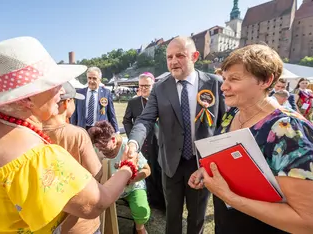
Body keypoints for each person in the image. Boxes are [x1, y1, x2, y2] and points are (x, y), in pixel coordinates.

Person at [0, 36, 138, 233]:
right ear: (27, 98)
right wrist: (128, 167)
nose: (61, 90)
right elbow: (96, 203)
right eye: (52, 84)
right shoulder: (38, 157)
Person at [188, 44, 313, 234]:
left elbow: (311, 222)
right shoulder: (232, 113)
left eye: (234, 79)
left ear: (265, 80)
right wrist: (206, 169)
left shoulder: (288, 129)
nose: (223, 86)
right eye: (224, 78)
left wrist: (228, 196)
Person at [127, 36, 226, 234]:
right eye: (169, 57)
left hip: (201, 163)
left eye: (180, 55)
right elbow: (145, 120)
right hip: (170, 163)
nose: (173, 61)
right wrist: (133, 143)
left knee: (197, 216)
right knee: (172, 216)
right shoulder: (160, 88)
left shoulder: (214, 83)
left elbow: (225, 123)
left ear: (195, 56)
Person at [42, 81, 103, 234]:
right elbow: (96, 173)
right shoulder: (76, 134)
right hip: (77, 222)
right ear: (66, 103)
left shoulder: (30, 131)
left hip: (44, 219)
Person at [89, 121, 151, 234]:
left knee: (141, 209)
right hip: (107, 189)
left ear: (113, 140)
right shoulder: (96, 149)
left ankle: (139, 228)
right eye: (97, 147)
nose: (99, 151)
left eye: (103, 147)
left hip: (132, 188)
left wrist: (130, 179)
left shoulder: (128, 147)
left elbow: (147, 170)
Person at [123, 72, 165, 211]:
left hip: (159, 141)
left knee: (159, 170)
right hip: (141, 143)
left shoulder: (161, 100)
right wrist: (133, 138)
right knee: (145, 169)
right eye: (141, 86)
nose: (143, 89)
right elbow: (126, 120)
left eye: (147, 86)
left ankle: (161, 200)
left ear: (153, 86)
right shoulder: (134, 102)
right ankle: (147, 198)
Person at [70, 66, 119, 132]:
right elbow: (74, 114)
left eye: (94, 78)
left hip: (100, 131)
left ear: (99, 79)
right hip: (82, 130)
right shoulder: (79, 93)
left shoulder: (106, 93)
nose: (91, 81)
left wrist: (116, 131)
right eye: (89, 78)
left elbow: (111, 114)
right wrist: (72, 129)